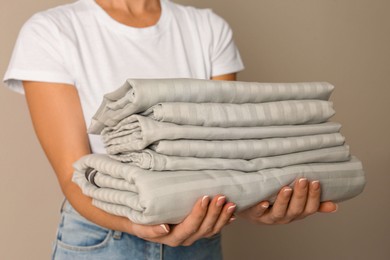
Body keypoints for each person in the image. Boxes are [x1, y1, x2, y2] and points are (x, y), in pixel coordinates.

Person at [3, 0, 338, 259]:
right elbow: (73, 175)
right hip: (103, 240)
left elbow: (227, 154)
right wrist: (134, 223)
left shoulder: (208, 28)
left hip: (202, 238)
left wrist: (258, 203)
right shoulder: (52, 31)